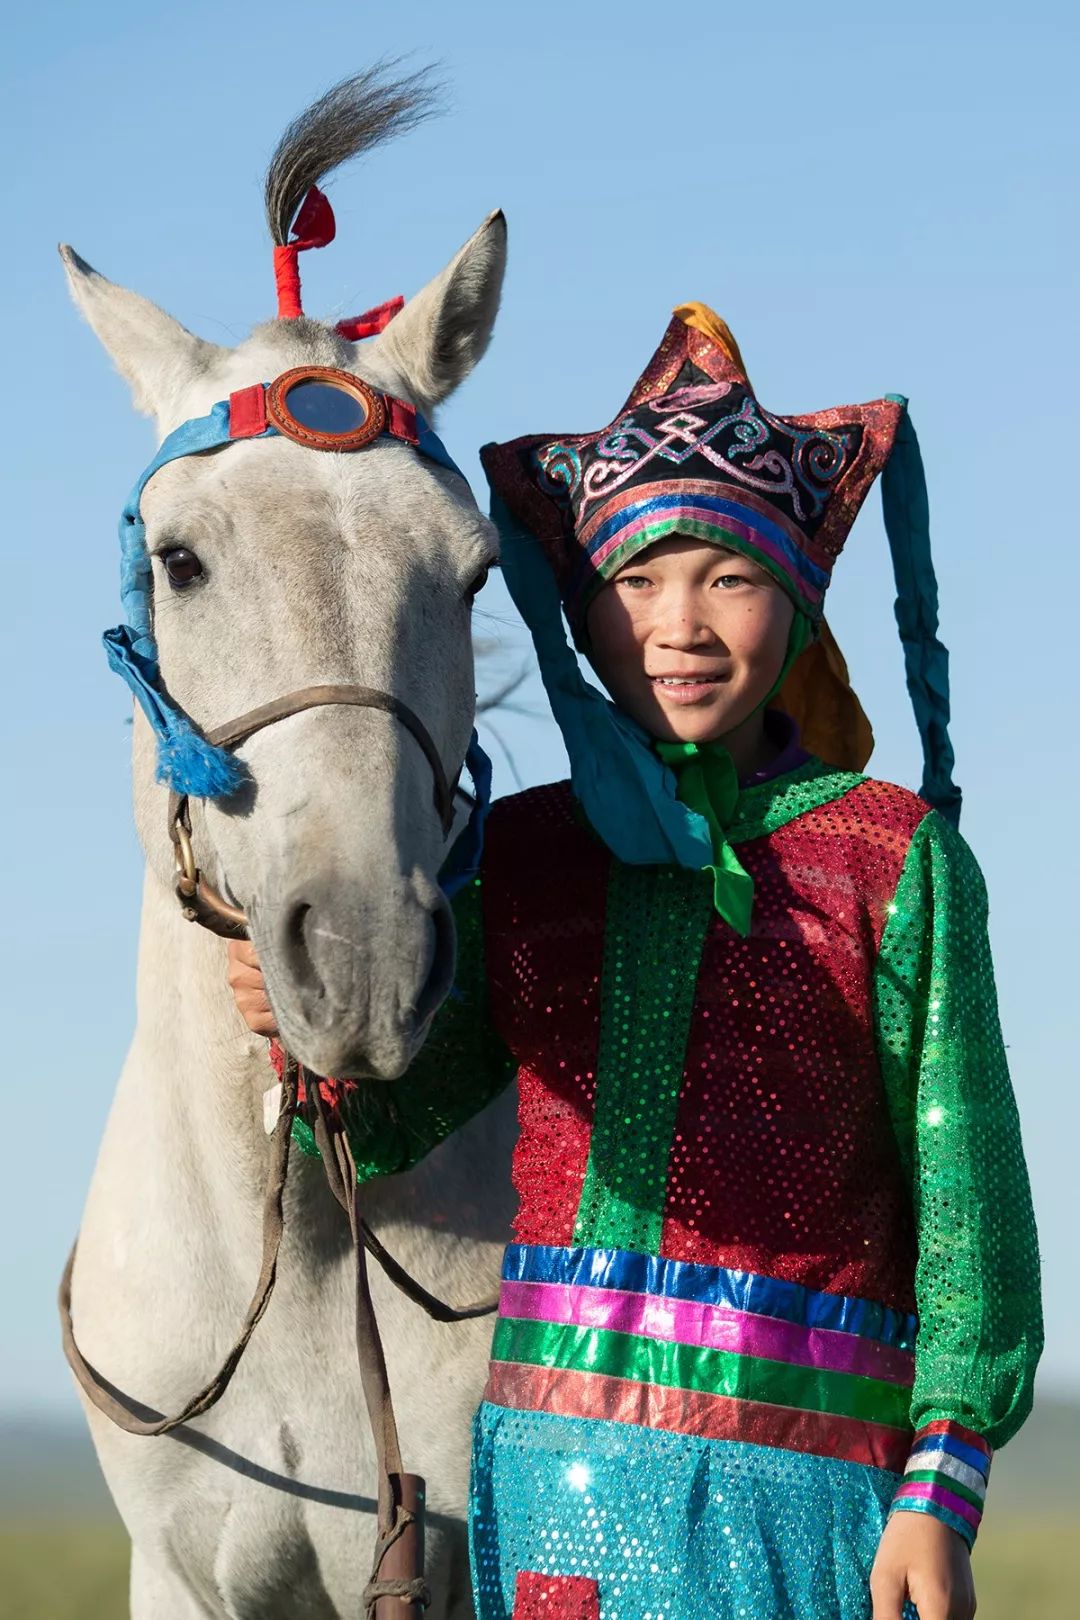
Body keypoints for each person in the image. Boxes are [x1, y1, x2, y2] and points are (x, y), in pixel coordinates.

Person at [229, 305, 1042, 1620]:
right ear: (581, 613)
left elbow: (970, 1210)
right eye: (638, 582)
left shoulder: (894, 861)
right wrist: (310, 1037)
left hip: (815, 1503)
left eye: (729, 578)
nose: (681, 624)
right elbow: (412, 1117)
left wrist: (939, 1487)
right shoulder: (526, 856)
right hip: (553, 1491)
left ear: (799, 599)